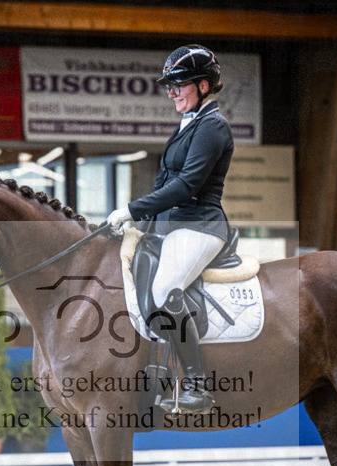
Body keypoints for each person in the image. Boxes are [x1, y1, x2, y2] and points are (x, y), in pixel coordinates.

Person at [106, 44, 238, 415]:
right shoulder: (189, 125)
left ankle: (197, 384)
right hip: (172, 226)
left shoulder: (213, 126)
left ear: (203, 85)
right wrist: (137, 224)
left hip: (201, 225)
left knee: (165, 288)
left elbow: (186, 186)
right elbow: (166, 182)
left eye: (179, 84)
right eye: (170, 85)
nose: (172, 92)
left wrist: (131, 209)